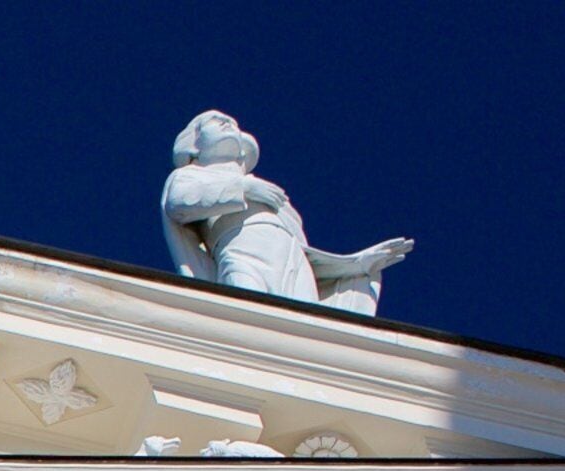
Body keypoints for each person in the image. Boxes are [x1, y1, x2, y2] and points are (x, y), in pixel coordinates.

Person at [160, 111, 410, 317]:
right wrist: (244, 189)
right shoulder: (190, 175)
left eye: (233, 123)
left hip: (292, 261)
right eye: (215, 121)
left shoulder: (269, 192)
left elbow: (303, 250)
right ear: (193, 144)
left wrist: (356, 264)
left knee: (306, 325)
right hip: (242, 253)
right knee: (246, 318)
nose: (229, 123)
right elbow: (179, 203)